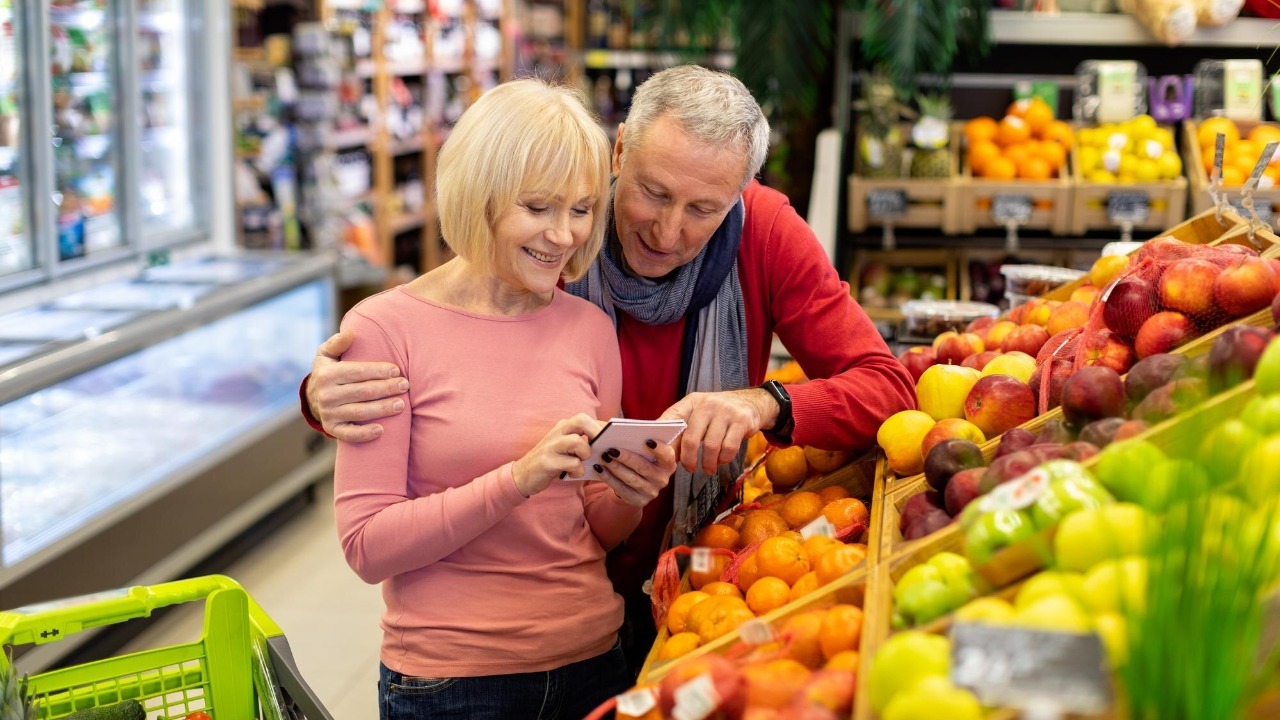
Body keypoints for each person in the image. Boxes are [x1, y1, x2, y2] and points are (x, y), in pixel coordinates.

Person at [310, 65, 917, 674]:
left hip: (701, 569)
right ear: (619, 149)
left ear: (739, 193)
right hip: (537, 601)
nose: (668, 229)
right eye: (652, 192)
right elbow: (452, 335)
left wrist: (763, 404)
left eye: (703, 208)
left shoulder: (763, 234)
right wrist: (323, 395)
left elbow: (888, 389)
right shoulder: (559, 219)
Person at [332, 78, 677, 719]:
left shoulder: (590, 330)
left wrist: (631, 492)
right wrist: (517, 478)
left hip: (593, 659)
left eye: (580, 209)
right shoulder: (384, 331)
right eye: (539, 207)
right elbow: (366, 546)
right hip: (453, 685)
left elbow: (593, 530)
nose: (564, 235)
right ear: (480, 197)